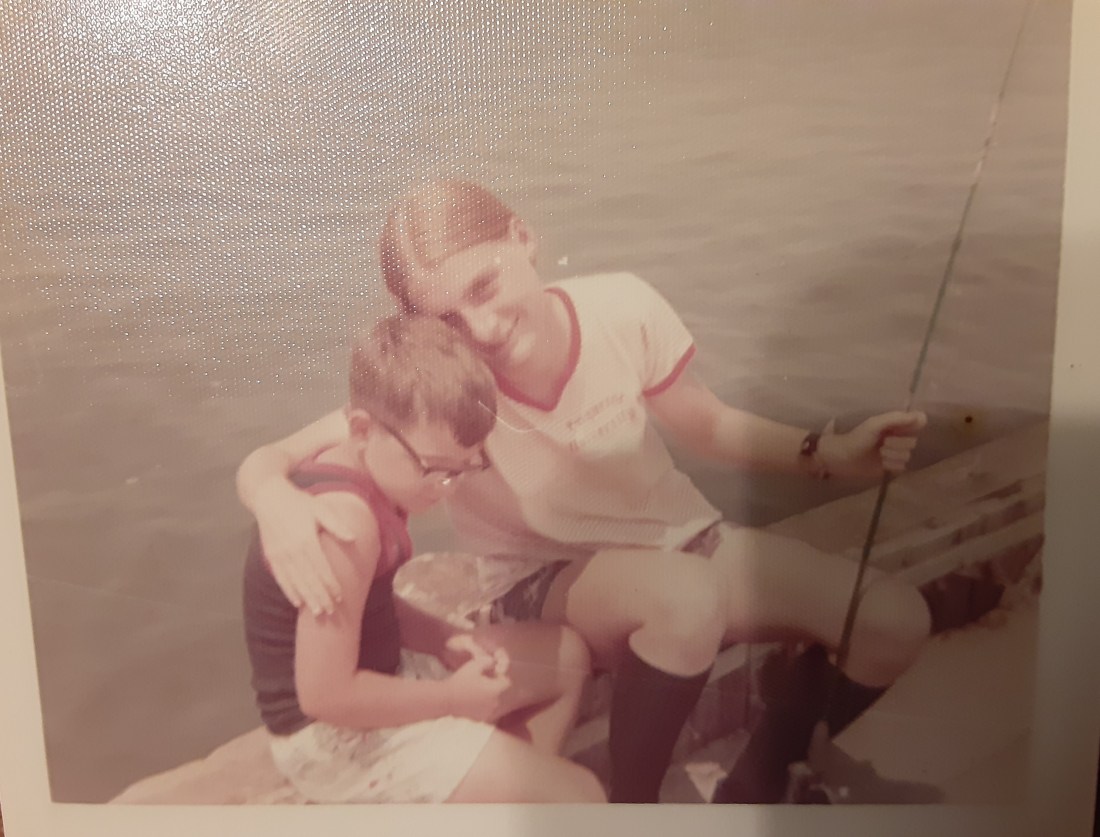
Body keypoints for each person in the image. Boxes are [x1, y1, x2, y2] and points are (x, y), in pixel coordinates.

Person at [237, 180, 932, 804]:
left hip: (687, 545)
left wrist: (831, 453)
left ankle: (760, 777)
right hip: (550, 582)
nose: (479, 330)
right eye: (446, 319)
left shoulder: (622, 308)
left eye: (484, 287)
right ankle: (631, 808)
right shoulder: (448, 389)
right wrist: (273, 499)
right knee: (685, 598)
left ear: (524, 237)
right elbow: (298, 453)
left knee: (894, 620)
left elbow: (709, 424)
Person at [242, 314, 604, 803]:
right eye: (434, 469)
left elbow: (375, 606)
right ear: (362, 429)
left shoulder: (377, 466)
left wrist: (446, 637)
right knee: (583, 796)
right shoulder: (345, 525)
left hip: (379, 672)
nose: (445, 488)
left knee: (566, 658)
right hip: (331, 739)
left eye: (464, 469)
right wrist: (451, 701)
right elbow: (324, 697)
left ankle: (490, 793)